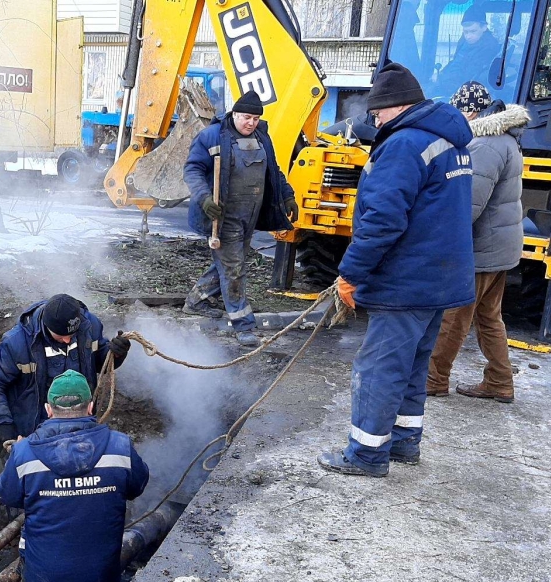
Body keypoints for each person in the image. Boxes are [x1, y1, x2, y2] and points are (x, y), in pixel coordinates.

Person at [318, 62, 476, 478]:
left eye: (378, 111)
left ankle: (367, 455)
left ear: (395, 105)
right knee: (412, 365)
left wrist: (350, 274)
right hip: (439, 277)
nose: (375, 119)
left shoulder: (404, 144)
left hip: (405, 279)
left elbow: (383, 220)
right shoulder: (451, 139)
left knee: (379, 368)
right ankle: (405, 443)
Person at [0, 370, 149, 582]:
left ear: (48, 410)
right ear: (90, 407)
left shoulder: (24, 453)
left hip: (44, 575)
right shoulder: (120, 447)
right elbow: (137, 486)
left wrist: (17, 457)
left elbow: (6, 495)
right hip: (102, 573)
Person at [427, 82, 528, 403]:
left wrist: (436, 239)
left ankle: (433, 380)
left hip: (481, 251)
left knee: (453, 317)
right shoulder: (506, 141)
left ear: (470, 111)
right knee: (489, 317)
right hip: (500, 247)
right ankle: (499, 381)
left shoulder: (484, 145)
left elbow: (467, 206)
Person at [182, 90, 299, 346]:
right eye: (247, 117)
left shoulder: (262, 137)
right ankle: (243, 325)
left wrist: (287, 196)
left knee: (228, 263)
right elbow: (192, 169)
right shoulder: (212, 136)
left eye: (256, 119)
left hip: (250, 215)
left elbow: (274, 171)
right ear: (234, 114)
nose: (251, 123)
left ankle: (196, 301)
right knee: (234, 269)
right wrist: (204, 199)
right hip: (223, 217)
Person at [0, 294, 131, 446]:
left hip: (81, 425)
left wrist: (116, 354)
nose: (67, 340)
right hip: (33, 431)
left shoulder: (90, 326)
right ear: (47, 326)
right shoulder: (17, 343)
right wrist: (3, 423)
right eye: (61, 336)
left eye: (72, 335)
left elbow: (100, 363)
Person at [433, 5, 501, 96]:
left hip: (463, 93)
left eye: (473, 31)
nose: (468, 36)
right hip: (448, 83)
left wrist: (440, 80)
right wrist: (440, 73)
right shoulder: (465, 42)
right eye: (466, 32)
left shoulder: (488, 48)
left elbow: (467, 77)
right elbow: (455, 62)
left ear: (484, 27)